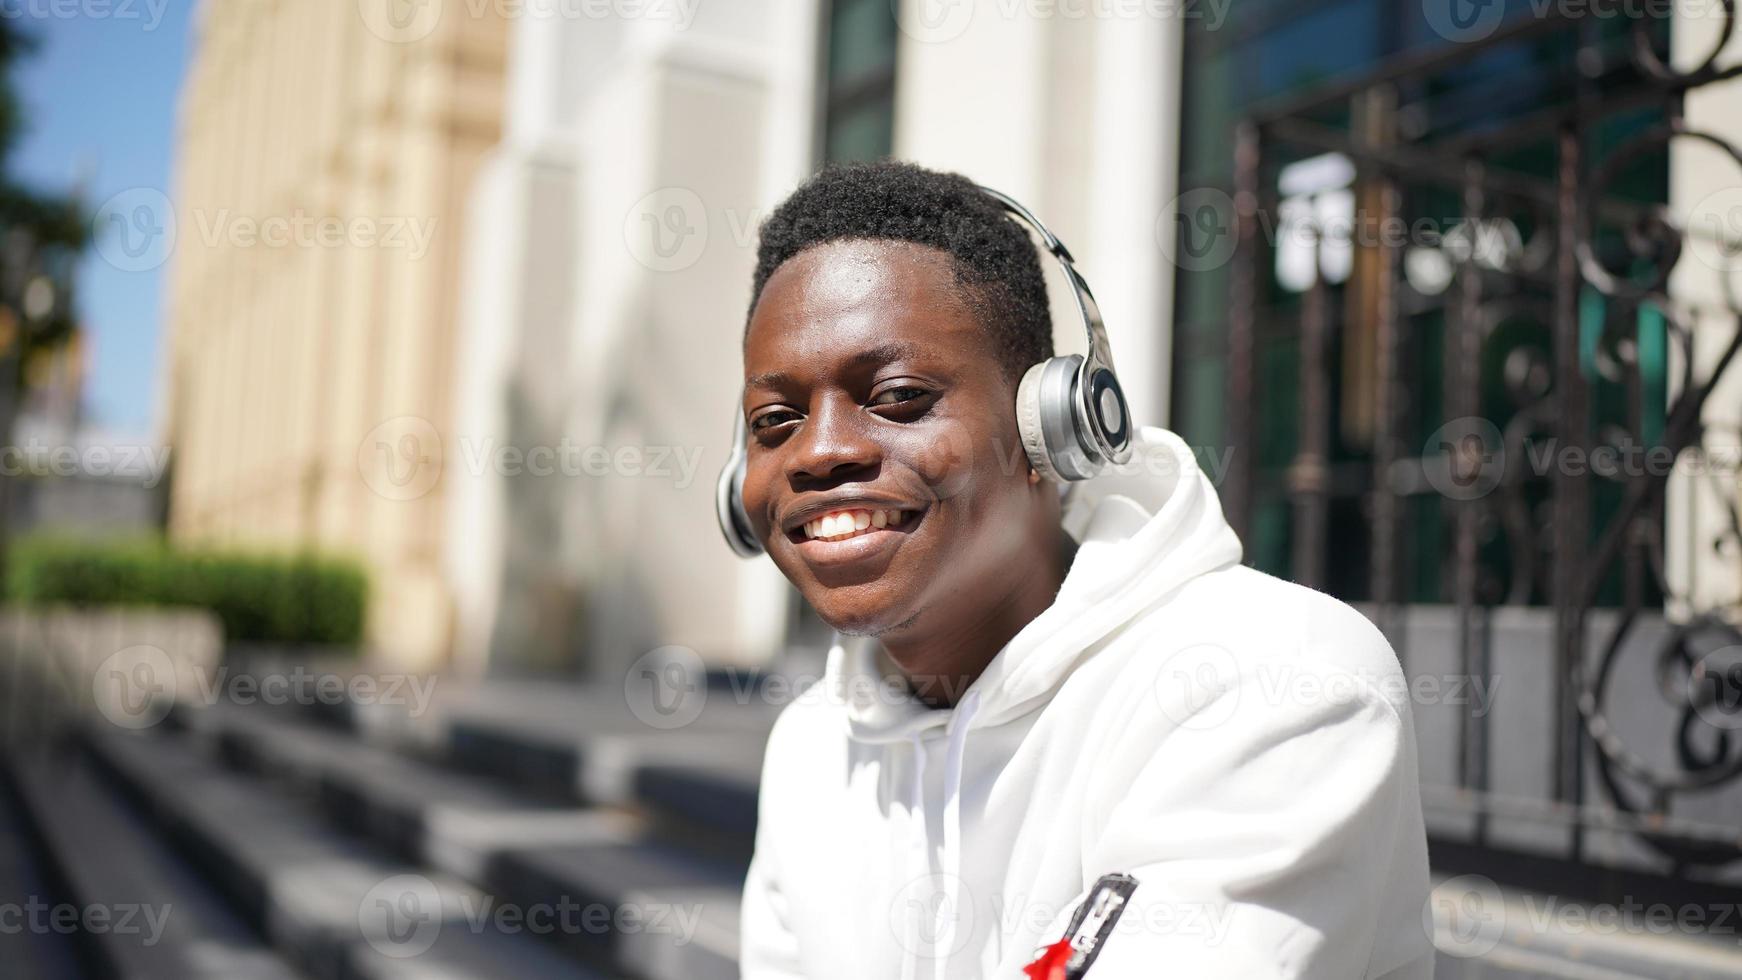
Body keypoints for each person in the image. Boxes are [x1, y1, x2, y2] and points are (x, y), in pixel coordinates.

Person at [727, 160, 1432, 979]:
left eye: (897, 396)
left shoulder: (1280, 678)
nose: (819, 451)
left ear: (1053, 430)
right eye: (774, 420)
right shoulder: (810, 747)